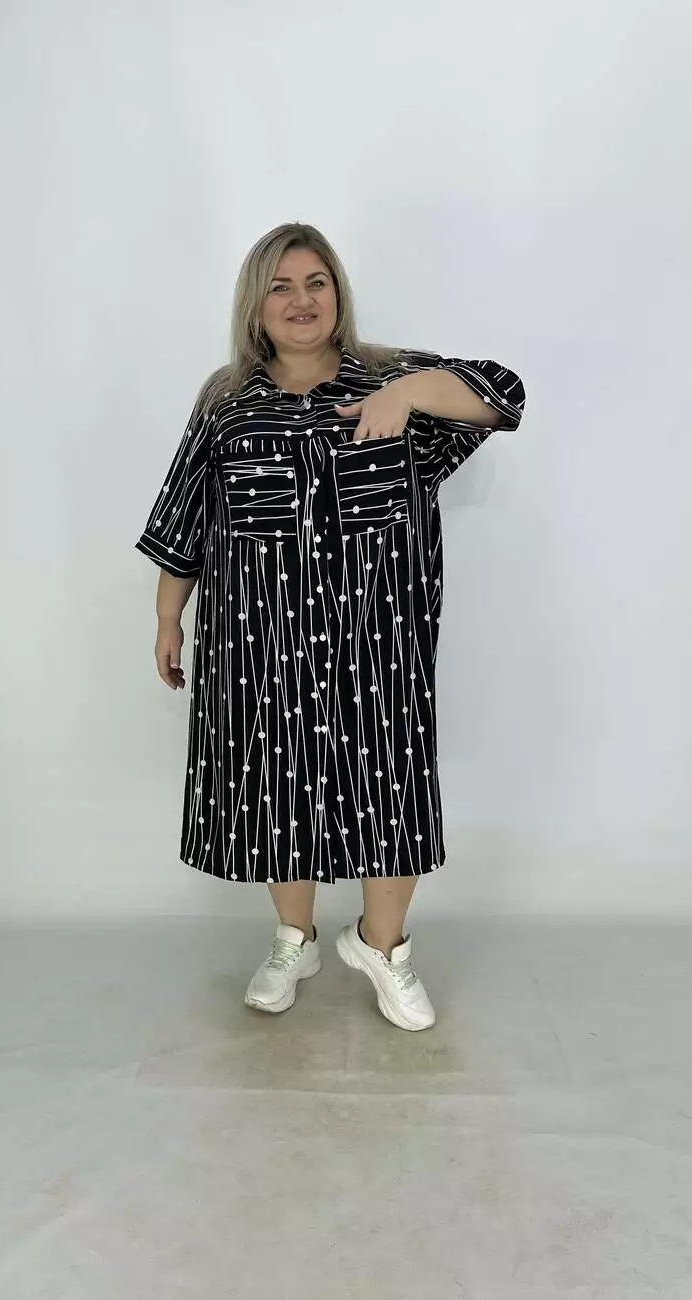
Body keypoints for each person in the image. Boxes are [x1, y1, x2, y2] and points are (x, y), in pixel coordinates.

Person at [136, 222, 525, 1032]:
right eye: (280, 286)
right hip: (259, 644)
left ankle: (382, 946)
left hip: (378, 640)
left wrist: (408, 395)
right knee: (275, 785)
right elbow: (184, 517)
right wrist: (169, 616)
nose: (300, 300)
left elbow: (501, 396)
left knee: (390, 786)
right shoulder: (225, 401)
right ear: (256, 304)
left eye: (315, 282)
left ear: (337, 293)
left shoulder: (392, 379)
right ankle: (295, 939)